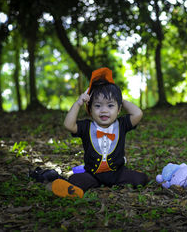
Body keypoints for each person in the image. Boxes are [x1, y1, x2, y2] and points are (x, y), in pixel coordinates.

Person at [51, 67, 148, 198]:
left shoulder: (121, 124)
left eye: (110, 105)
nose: (104, 110)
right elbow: (68, 125)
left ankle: (124, 179)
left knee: (140, 179)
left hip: (117, 173)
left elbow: (138, 113)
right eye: (97, 106)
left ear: (119, 109)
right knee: (76, 180)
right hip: (92, 175)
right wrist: (78, 103)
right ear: (90, 110)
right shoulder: (87, 126)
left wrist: (120, 100)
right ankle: (71, 191)